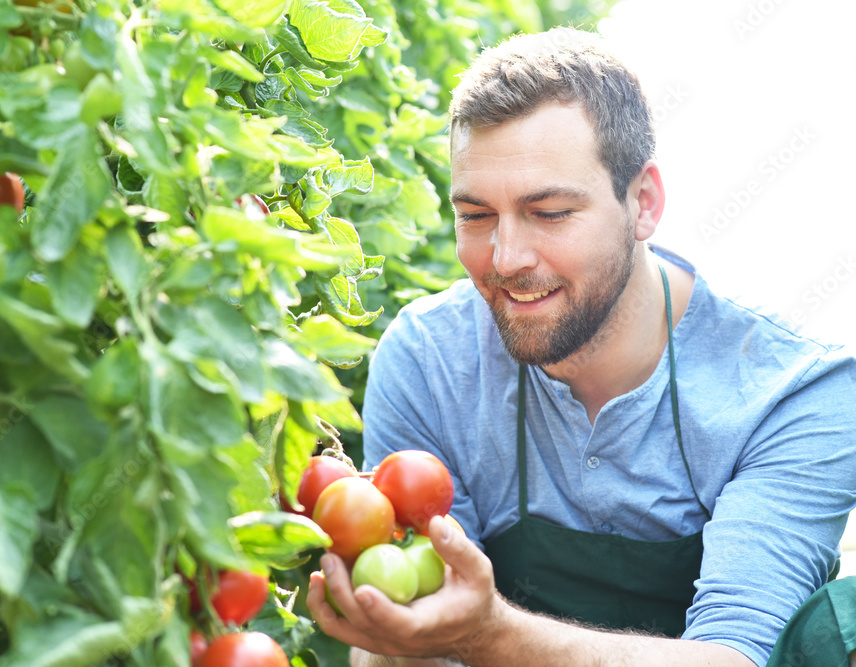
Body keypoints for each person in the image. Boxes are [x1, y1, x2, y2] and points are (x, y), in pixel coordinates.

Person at [306, 26, 856, 667]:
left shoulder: (791, 395)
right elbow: (423, 621)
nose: (506, 258)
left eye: (551, 212)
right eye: (476, 215)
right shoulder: (431, 360)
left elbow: (735, 657)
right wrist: (398, 636)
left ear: (643, 203)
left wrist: (487, 633)